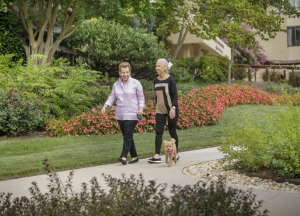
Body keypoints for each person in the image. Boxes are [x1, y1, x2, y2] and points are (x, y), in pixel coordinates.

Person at [102, 62, 145, 165]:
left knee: (127, 136)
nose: (125, 74)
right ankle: (134, 157)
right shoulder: (116, 85)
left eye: (127, 72)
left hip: (132, 113)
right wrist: (105, 106)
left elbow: (141, 98)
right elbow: (112, 97)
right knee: (128, 136)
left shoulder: (136, 83)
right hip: (120, 114)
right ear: (119, 72)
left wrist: (141, 108)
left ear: (130, 72)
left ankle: (123, 156)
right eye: (123, 72)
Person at [148, 59, 179, 164]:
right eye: (156, 66)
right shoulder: (155, 81)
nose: (157, 68)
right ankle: (157, 155)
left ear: (165, 67)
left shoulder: (171, 80)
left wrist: (173, 108)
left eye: (159, 66)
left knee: (172, 131)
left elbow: (175, 95)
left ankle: (176, 154)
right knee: (158, 131)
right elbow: (158, 96)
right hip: (160, 110)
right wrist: (157, 107)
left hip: (171, 109)